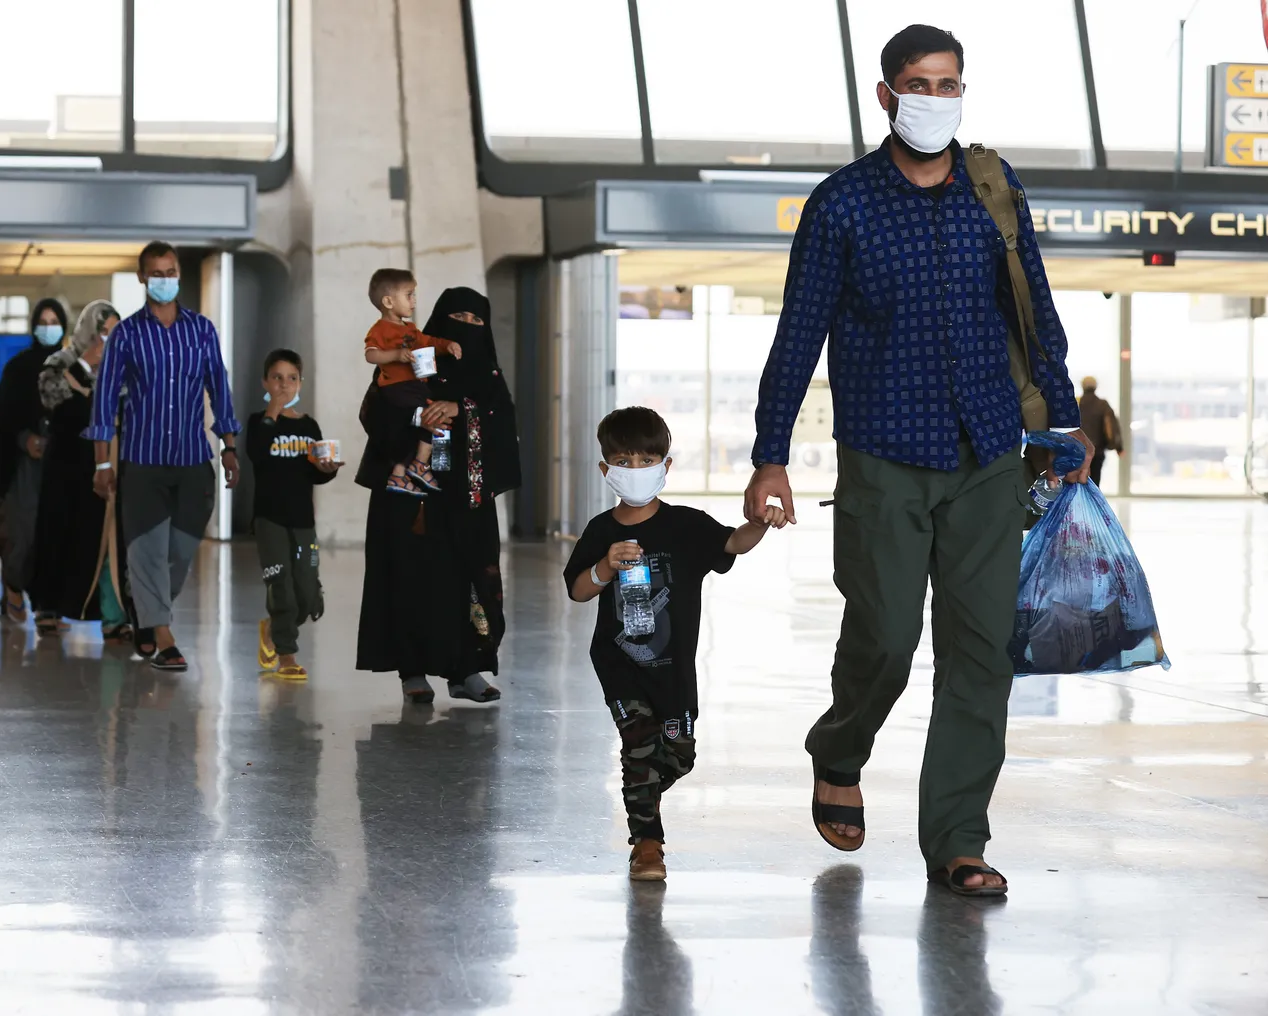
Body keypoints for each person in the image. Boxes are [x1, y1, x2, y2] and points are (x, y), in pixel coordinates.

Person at [742, 24, 1094, 898]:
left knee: (980, 655)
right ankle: (841, 747)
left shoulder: (993, 187)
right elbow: (799, 336)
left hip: (987, 454)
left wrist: (1065, 422)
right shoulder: (844, 204)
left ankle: (958, 841)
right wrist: (770, 455)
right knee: (888, 636)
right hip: (884, 456)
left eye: (949, 84)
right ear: (885, 96)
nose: (935, 100)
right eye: (918, 84)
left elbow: (1034, 308)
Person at [566, 407, 787, 881]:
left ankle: (639, 788)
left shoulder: (686, 525)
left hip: (674, 670)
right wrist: (605, 566)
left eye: (647, 460)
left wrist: (762, 523)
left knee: (677, 756)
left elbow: (732, 544)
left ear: (666, 467)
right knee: (639, 748)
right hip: (619, 662)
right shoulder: (602, 531)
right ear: (606, 470)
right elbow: (578, 589)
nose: (636, 470)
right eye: (624, 460)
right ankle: (648, 847)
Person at [355, 286, 522, 705]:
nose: (465, 328)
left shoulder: (489, 375)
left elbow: (502, 424)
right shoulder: (416, 358)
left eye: (475, 321)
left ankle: (467, 669)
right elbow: (376, 409)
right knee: (411, 578)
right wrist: (422, 412)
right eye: (457, 319)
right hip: (415, 498)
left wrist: (460, 408)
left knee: (467, 579)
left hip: (467, 500)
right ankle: (412, 669)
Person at [89, 241, 240, 672]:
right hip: (142, 461)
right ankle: (163, 633)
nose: (164, 279)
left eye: (170, 271)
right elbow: (103, 403)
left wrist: (229, 446)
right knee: (148, 550)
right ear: (142, 278)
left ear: (178, 275)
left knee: (181, 551)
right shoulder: (127, 334)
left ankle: (145, 610)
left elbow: (220, 390)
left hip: (194, 460)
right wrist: (103, 463)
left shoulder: (202, 330)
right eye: (156, 273)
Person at [31, 300, 137, 640]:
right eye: (102, 333)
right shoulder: (58, 363)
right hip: (65, 466)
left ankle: (112, 615)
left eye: (114, 333)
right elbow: (50, 397)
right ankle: (48, 606)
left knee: (107, 540)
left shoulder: (124, 368)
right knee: (57, 534)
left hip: (106, 463)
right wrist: (84, 363)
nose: (107, 341)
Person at [249, 349, 343, 679]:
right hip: (270, 520)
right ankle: (287, 655)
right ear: (266, 382)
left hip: (303, 522)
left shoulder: (309, 426)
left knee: (307, 595)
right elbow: (258, 454)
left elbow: (316, 473)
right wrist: (272, 413)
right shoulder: (258, 423)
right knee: (281, 588)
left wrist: (327, 469)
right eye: (277, 378)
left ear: (300, 383)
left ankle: (272, 628)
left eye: (292, 378)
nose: (284, 385)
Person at [0, 297, 68, 629]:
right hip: (26, 464)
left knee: (56, 534)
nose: (48, 328)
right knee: (25, 529)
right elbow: (3, 418)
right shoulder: (20, 368)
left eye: (55, 322)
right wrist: (25, 440)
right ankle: (13, 586)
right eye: (43, 321)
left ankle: (48, 606)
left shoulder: (71, 367)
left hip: (63, 465)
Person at [363, 268, 462, 496]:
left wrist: (447, 345)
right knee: (423, 420)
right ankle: (413, 467)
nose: (414, 300)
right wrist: (395, 355)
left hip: (417, 386)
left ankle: (406, 471)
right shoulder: (380, 329)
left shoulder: (411, 329)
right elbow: (371, 354)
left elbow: (429, 341)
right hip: (397, 389)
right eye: (408, 295)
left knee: (435, 420)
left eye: (413, 294)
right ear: (388, 301)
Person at [1078, 377, 1123, 485]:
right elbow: (1112, 426)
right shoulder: (1102, 405)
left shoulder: (1076, 403)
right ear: (1096, 387)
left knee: (1078, 480)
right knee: (1095, 480)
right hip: (1097, 450)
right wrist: (1119, 447)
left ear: (1082, 386)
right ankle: (1093, 501)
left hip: (1078, 450)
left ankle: (1079, 502)